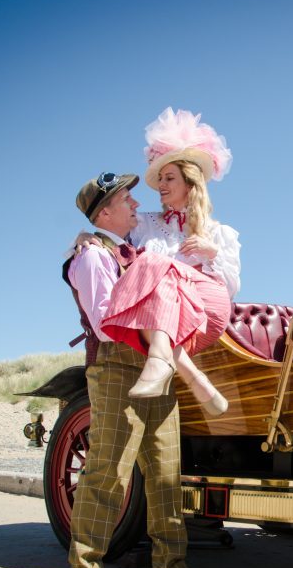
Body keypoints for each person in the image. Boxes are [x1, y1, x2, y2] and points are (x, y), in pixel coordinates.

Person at [64, 171, 219, 568]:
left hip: (158, 367)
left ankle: (170, 567)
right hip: (115, 367)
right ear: (104, 212)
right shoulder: (91, 257)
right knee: (107, 474)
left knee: (166, 473)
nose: (137, 205)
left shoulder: (133, 253)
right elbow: (104, 320)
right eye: (127, 200)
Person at [78, 108, 241, 416]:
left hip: (204, 312)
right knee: (153, 281)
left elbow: (230, 288)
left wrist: (212, 254)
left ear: (190, 183)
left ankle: (163, 363)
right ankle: (189, 375)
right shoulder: (144, 224)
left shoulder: (220, 234)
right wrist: (85, 235)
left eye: (170, 178)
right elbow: (109, 221)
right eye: (160, 179)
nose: (161, 186)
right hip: (162, 320)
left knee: (152, 264)